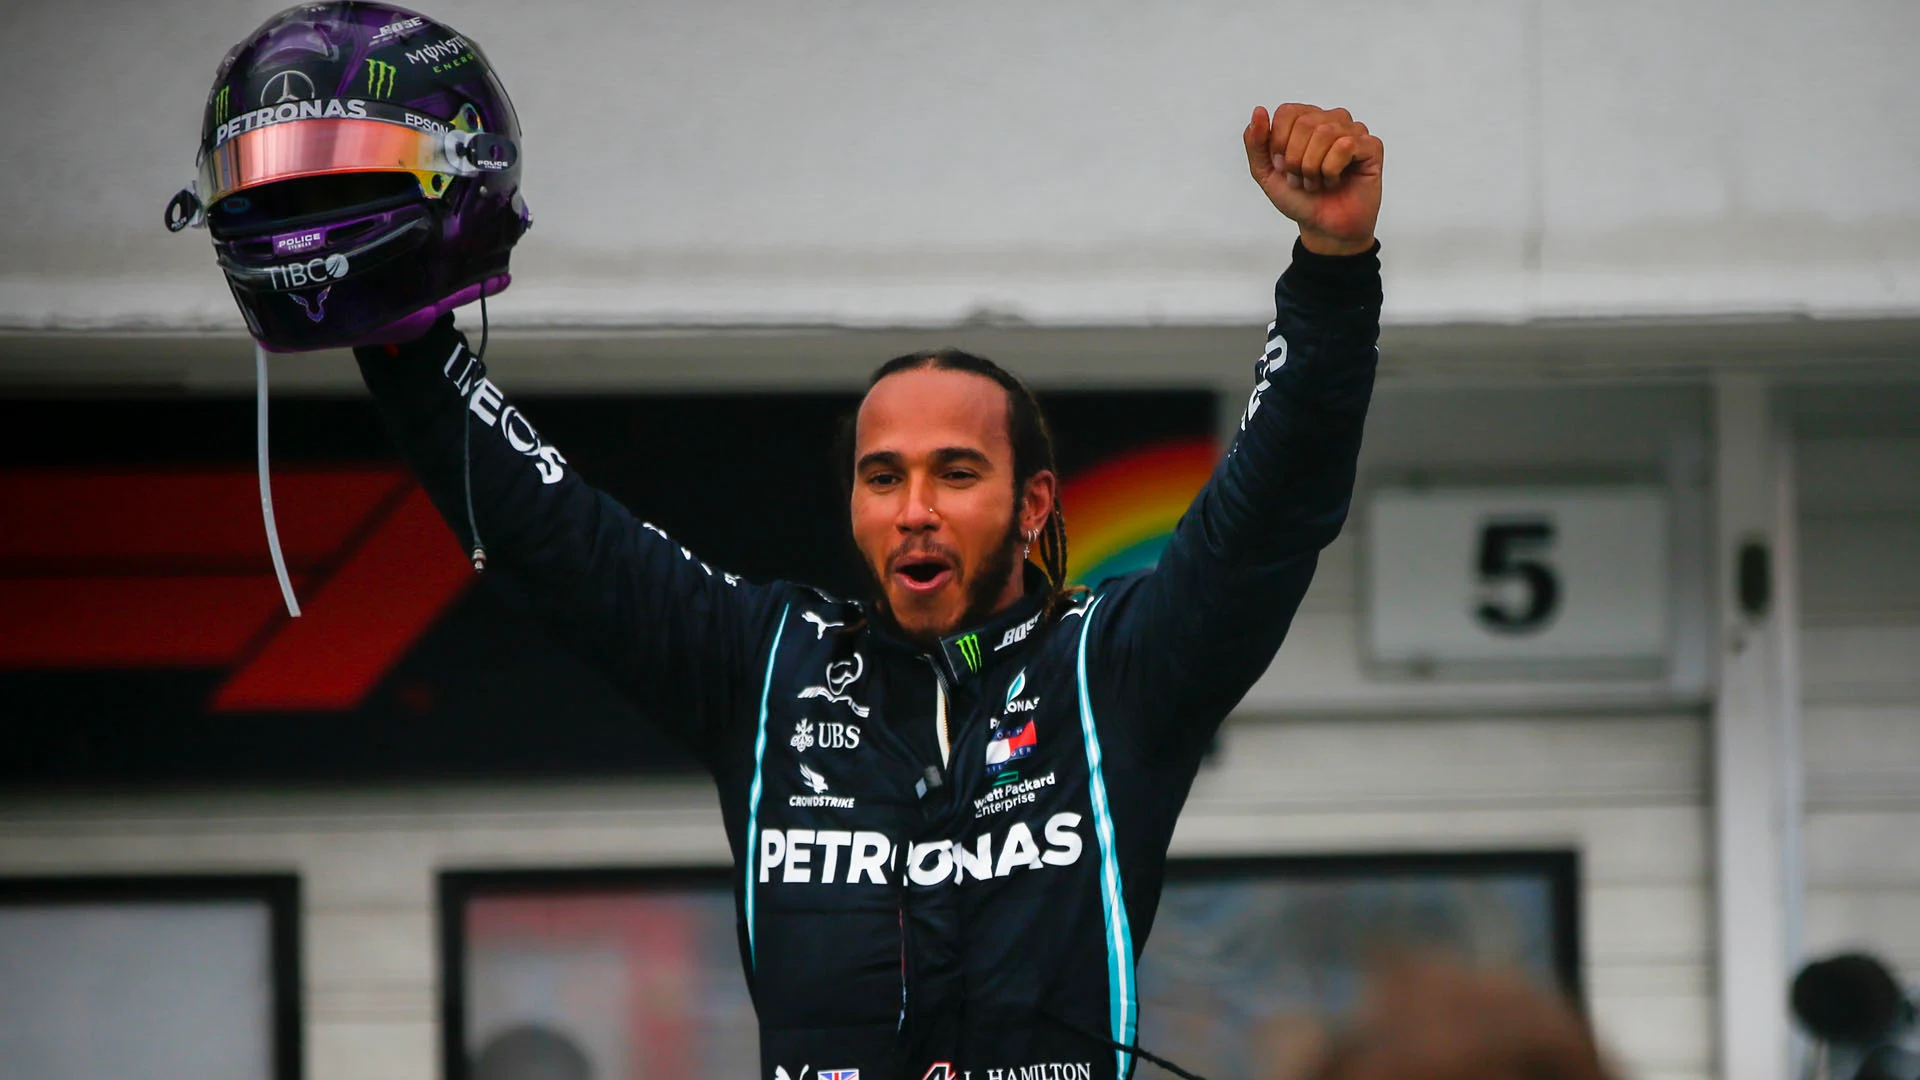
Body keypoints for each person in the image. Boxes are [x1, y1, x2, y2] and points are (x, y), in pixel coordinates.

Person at [358, 103, 1383, 1080]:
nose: (916, 510)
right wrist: (399, 335)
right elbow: (558, 540)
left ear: (1033, 505)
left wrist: (1331, 274)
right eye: (883, 478)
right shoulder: (767, 667)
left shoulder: (1109, 670)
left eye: (957, 474)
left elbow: (1266, 518)